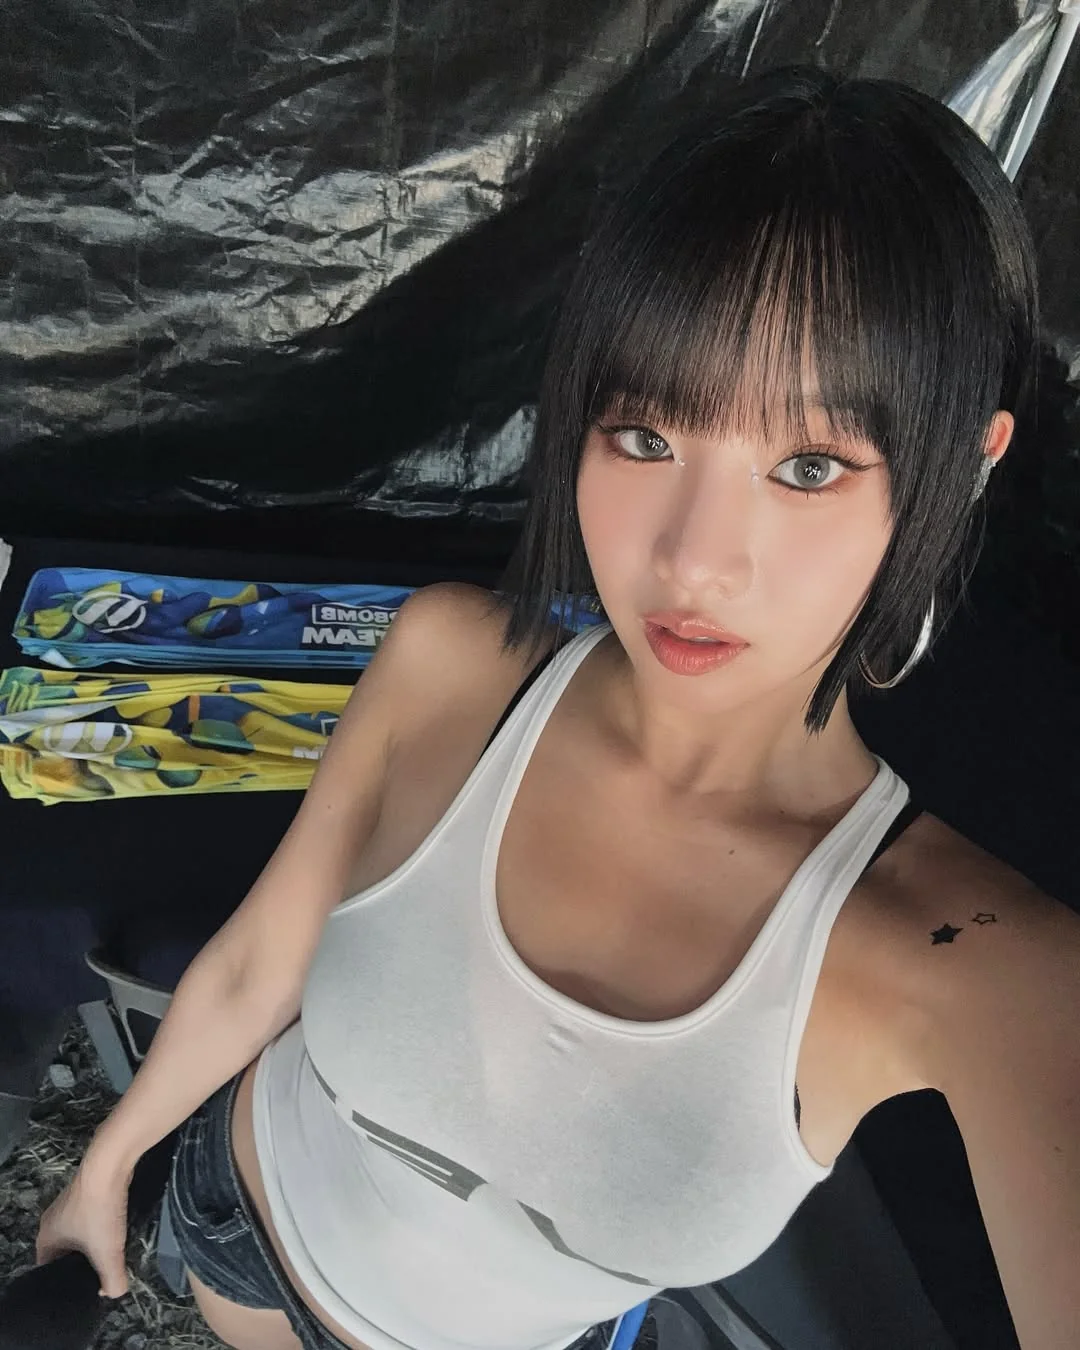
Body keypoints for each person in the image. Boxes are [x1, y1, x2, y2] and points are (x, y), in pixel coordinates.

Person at [35, 65, 1079, 1350]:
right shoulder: (446, 665)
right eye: (645, 437)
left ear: (958, 471)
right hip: (240, 1227)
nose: (692, 560)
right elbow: (261, 960)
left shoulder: (981, 968)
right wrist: (108, 1165)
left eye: (808, 466)